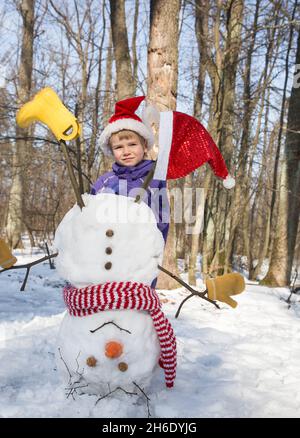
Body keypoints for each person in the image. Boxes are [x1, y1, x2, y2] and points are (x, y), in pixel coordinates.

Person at [91, 96, 169, 288]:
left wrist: (153, 255)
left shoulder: (154, 180)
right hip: (106, 259)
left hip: (139, 259)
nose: (126, 151)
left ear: (144, 146)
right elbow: (89, 219)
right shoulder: (104, 182)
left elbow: (162, 220)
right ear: (111, 150)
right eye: (118, 147)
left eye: (132, 144)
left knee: (135, 308)